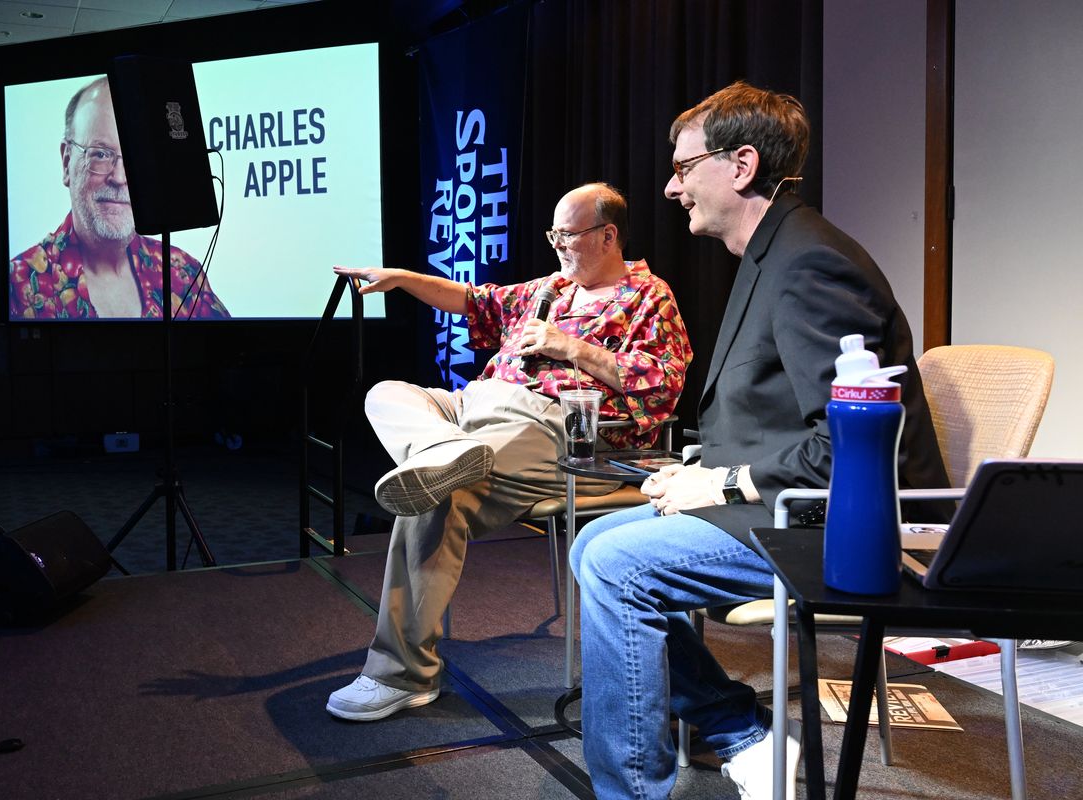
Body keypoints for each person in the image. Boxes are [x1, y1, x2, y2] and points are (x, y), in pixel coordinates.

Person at [569, 83, 949, 800]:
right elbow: (774, 414)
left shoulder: (812, 264)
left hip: (840, 527)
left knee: (619, 565)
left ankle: (633, 790)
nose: (671, 186)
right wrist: (693, 465)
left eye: (684, 168)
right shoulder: (771, 255)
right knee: (591, 545)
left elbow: (850, 451)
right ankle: (743, 733)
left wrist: (720, 483)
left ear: (740, 165)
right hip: (784, 505)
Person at [326, 182, 691, 722]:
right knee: (388, 394)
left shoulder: (646, 297)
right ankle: (446, 450)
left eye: (567, 235)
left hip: (556, 429)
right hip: (475, 408)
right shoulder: (550, 288)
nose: (558, 247)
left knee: (436, 494)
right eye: (554, 235)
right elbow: (474, 300)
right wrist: (403, 279)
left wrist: (569, 346)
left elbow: (663, 384)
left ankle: (402, 674)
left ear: (608, 235)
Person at [9, 77, 229, 320]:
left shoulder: (182, 273)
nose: (120, 177)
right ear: (66, 162)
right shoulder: (19, 286)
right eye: (101, 154)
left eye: (135, 157)